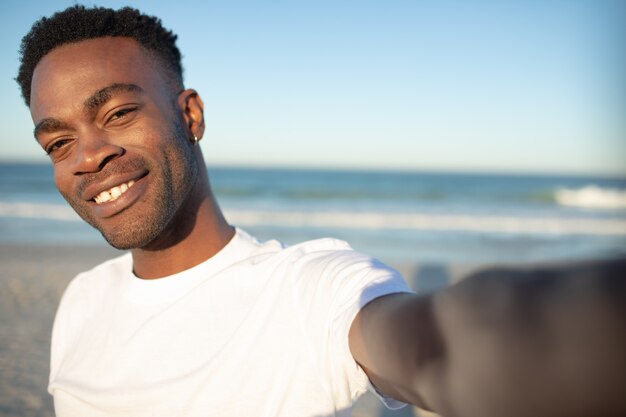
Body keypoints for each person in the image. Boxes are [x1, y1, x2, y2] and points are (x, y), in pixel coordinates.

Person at [16, 5, 626, 417]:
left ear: (190, 115)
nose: (88, 157)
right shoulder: (81, 300)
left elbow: (436, 344)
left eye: (118, 113)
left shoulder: (309, 289)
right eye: (58, 143)